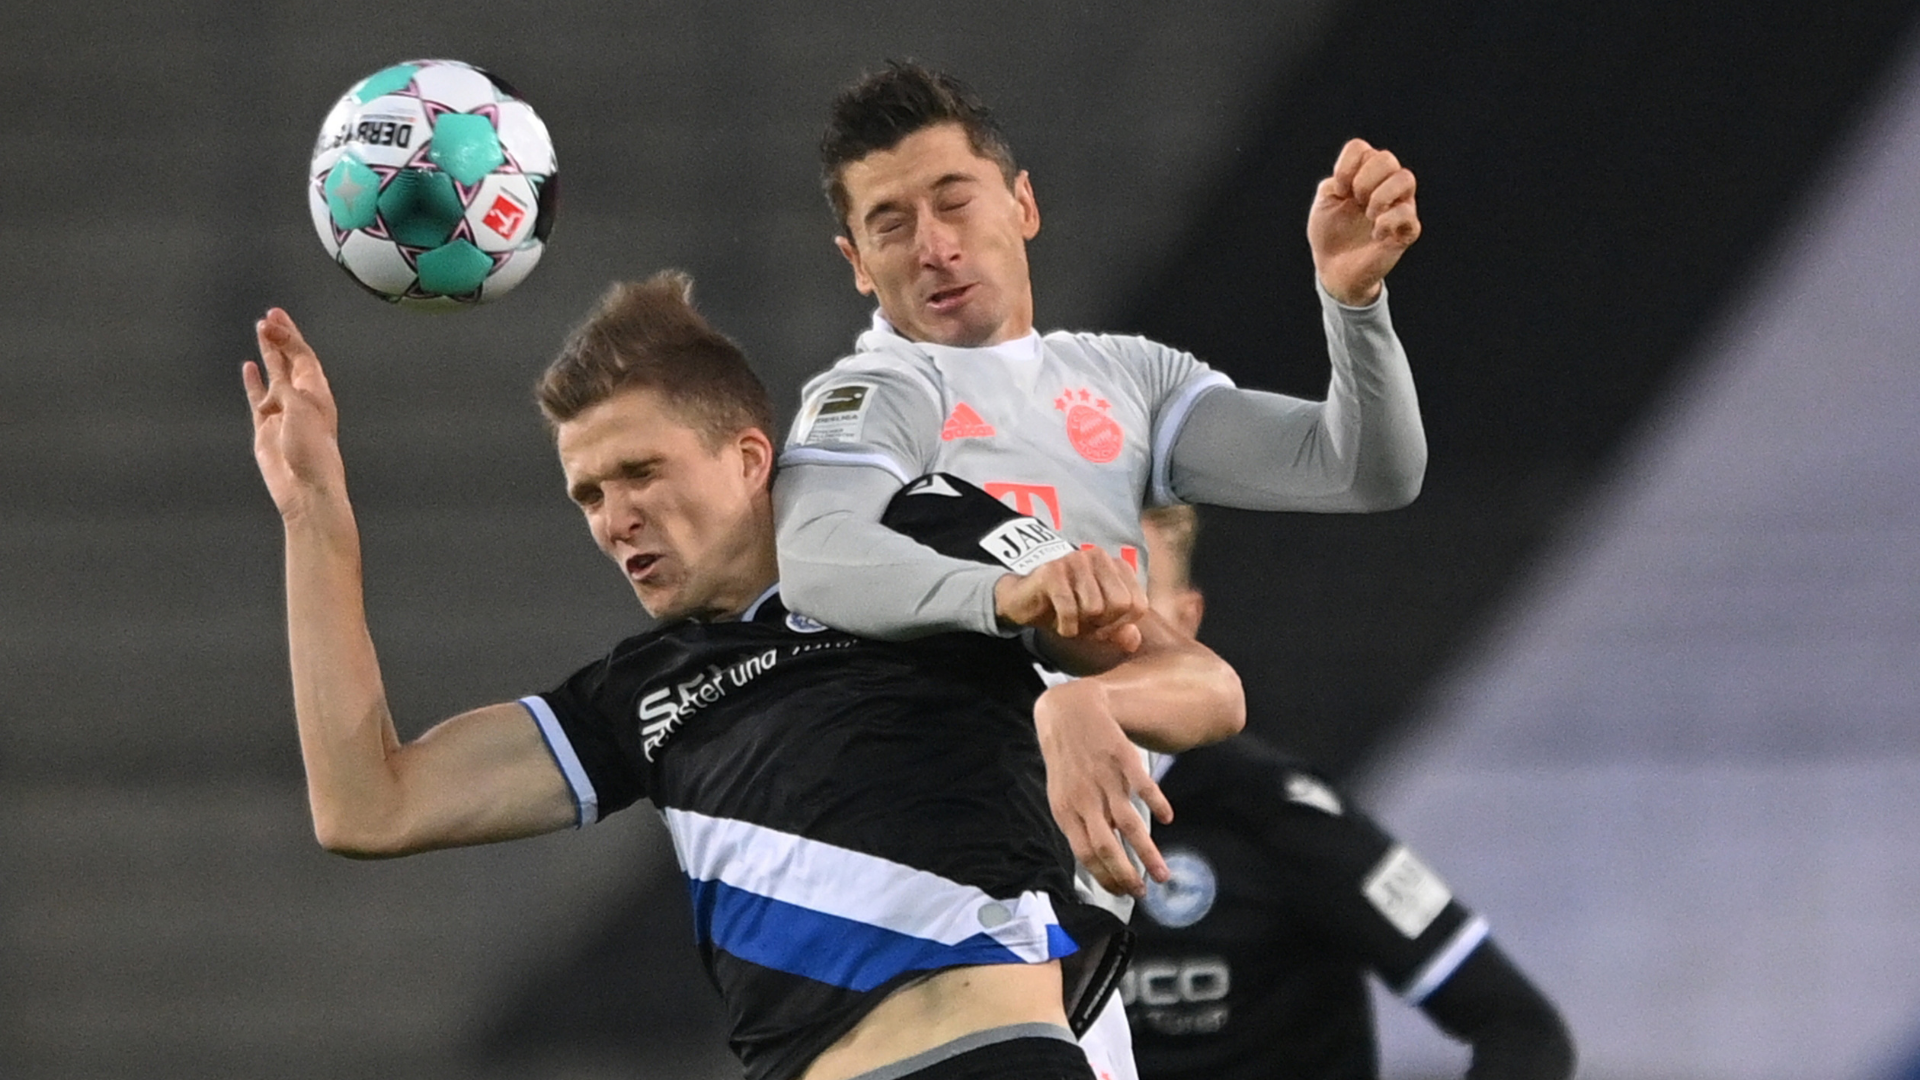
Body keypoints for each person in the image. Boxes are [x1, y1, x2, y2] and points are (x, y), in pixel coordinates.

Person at [241, 273, 1243, 1080]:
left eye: (641, 472)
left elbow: (1205, 686)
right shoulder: (639, 694)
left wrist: (1084, 700)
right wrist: (314, 517)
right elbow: (369, 805)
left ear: (749, 457)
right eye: (588, 494)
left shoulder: (922, 527)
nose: (614, 518)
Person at [773, 60, 1429, 896]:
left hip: (1091, 889)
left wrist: (1355, 303)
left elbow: (1362, 471)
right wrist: (1012, 592)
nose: (934, 247)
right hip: (945, 881)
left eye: (955, 201)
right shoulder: (876, 395)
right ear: (858, 262)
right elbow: (816, 554)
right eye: (890, 224)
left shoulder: (1127, 380)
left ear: (1024, 204)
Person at [1120, 505, 1576, 1080]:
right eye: (1077, 587)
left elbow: (1523, 1029)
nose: (1101, 620)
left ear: (1186, 621)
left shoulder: (1277, 812)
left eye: (1131, 593)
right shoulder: (1014, 818)